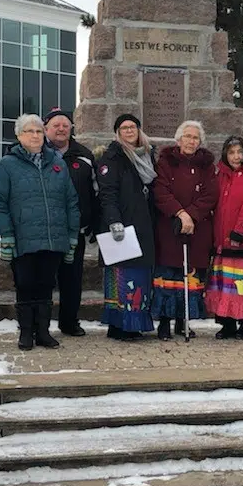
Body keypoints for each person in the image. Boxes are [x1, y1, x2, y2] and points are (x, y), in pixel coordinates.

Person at [0, 113, 80, 351]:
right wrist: (6, 234)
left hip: (53, 238)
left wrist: (71, 235)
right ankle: (26, 332)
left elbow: (71, 201)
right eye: (30, 131)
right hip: (23, 238)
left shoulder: (58, 163)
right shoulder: (8, 165)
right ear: (19, 136)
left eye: (39, 131)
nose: (35, 135)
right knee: (25, 285)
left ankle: (43, 332)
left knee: (46, 286)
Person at [152, 121, 218, 341]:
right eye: (187, 137)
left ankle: (183, 321)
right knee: (168, 277)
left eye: (195, 138)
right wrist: (180, 213)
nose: (191, 141)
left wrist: (192, 215)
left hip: (197, 229)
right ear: (178, 139)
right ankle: (164, 323)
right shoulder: (165, 161)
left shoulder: (206, 165)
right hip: (170, 227)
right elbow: (160, 190)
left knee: (188, 278)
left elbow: (210, 194)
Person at [96, 113, 158, 341]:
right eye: (124, 128)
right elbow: (107, 194)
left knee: (140, 276)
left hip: (143, 225)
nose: (129, 131)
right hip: (122, 226)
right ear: (118, 133)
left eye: (133, 127)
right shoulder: (112, 158)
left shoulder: (149, 155)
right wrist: (114, 221)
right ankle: (119, 324)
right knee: (121, 276)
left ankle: (134, 323)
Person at [43, 108, 98, 337]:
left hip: (74, 231)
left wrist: (93, 222)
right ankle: (39, 325)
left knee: (72, 279)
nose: (61, 129)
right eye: (56, 125)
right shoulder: (36, 153)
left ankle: (69, 322)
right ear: (46, 129)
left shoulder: (84, 155)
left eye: (65, 125)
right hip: (43, 230)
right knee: (43, 279)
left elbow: (95, 192)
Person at [205, 136, 243, 340]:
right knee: (223, 285)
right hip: (221, 239)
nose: (236, 157)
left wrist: (241, 230)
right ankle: (227, 324)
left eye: (239, 152)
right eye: (231, 153)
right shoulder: (220, 173)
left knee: (241, 284)